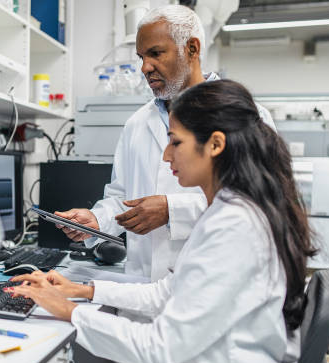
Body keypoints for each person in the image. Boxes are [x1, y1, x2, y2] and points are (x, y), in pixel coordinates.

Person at [6, 79, 317, 363]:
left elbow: (159, 348)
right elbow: (166, 292)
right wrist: (82, 290)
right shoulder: (233, 210)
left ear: (215, 144)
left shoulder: (234, 227)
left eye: (175, 142)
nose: (167, 156)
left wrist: (68, 310)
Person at [55, 5, 275, 282]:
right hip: (142, 284)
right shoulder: (136, 123)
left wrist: (172, 210)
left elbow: (259, 206)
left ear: (192, 49)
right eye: (141, 57)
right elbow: (122, 196)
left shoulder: (246, 117)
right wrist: (97, 220)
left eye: (156, 54)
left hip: (213, 283)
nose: (145, 67)